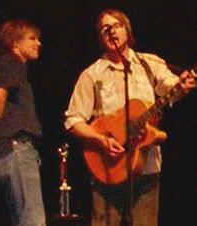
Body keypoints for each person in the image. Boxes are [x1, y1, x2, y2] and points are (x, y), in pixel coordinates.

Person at [64, 8, 195, 226]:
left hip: (146, 169)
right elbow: (73, 120)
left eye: (116, 26)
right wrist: (101, 140)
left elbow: (171, 87)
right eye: (105, 29)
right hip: (107, 169)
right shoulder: (92, 74)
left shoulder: (149, 63)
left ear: (127, 30)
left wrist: (183, 85)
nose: (111, 32)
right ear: (99, 37)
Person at [0, 18, 46, 226]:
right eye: (32, 38)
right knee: (33, 222)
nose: (38, 43)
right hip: (15, 149)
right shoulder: (11, 62)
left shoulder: (7, 65)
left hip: (7, 152)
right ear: (15, 44)